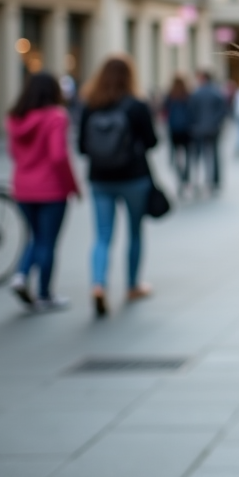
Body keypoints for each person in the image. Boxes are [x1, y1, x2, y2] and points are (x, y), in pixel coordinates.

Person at [79, 56, 158, 317]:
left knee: (102, 236)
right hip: (134, 177)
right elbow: (152, 141)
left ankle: (98, 285)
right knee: (134, 232)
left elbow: (81, 146)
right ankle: (133, 285)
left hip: (100, 178)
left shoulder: (91, 104)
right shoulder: (136, 105)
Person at [6, 72, 80, 312]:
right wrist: (72, 185)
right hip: (51, 190)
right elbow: (59, 156)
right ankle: (45, 294)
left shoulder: (17, 118)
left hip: (23, 188)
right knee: (47, 242)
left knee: (36, 237)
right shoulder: (56, 117)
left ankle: (21, 275)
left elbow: (13, 153)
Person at [187, 70, 227, 194]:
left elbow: (191, 112)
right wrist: (215, 122)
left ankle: (196, 181)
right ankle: (214, 181)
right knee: (214, 155)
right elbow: (223, 111)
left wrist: (195, 124)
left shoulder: (196, 93)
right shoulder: (217, 92)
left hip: (198, 129)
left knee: (197, 155)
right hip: (213, 128)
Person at [163, 75, 193, 194]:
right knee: (188, 155)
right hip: (186, 128)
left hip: (174, 129)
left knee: (176, 155)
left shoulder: (170, 95)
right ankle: (186, 176)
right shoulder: (187, 94)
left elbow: (165, 110)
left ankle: (179, 176)